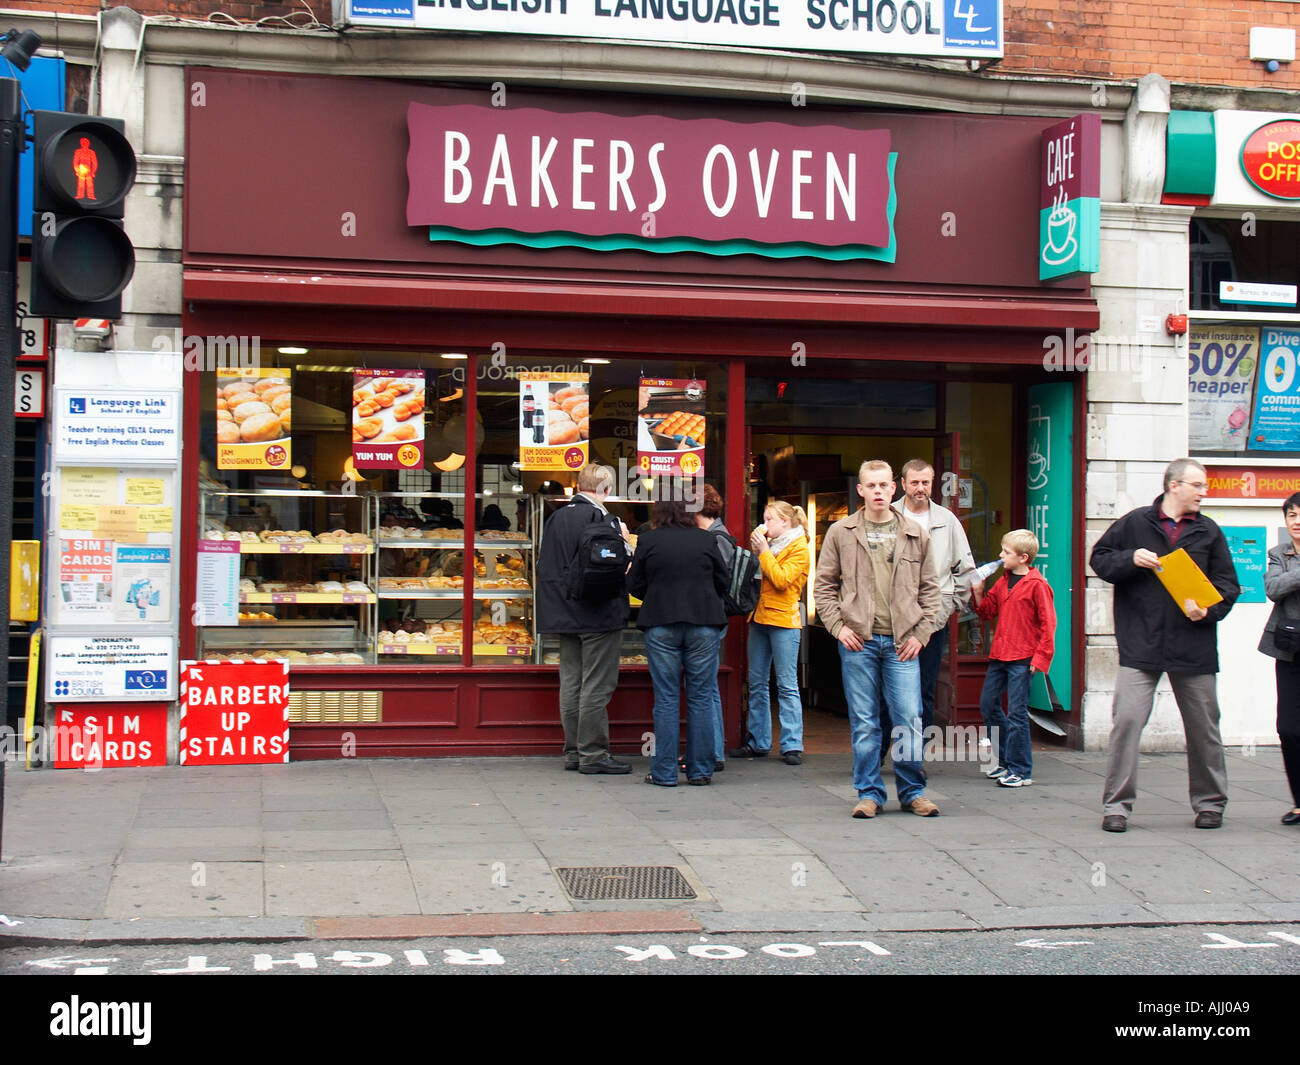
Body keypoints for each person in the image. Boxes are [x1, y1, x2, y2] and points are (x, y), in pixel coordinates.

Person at [1090, 458, 1241, 832]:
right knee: (1126, 722)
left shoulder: (1209, 531)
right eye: (1198, 485)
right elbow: (1100, 559)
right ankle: (1116, 808)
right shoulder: (1135, 522)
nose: (1204, 492)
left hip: (1193, 645)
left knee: (1204, 727)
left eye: (1204, 486)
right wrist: (1130, 558)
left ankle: (1210, 804)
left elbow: (1228, 585)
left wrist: (1206, 610)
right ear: (1174, 485)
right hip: (1140, 642)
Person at [813, 459, 942, 818]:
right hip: (860, 642)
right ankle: (869, 794)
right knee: (865, 722)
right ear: (861, 490)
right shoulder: (841, 532)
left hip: (903, 643)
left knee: (909, 719)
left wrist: (922, 633)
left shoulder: (916, 532)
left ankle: (913, 792)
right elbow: (823, 587)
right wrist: (839, 628)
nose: (879, 492)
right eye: (872, 486)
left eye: (884, 486)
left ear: (894, 488)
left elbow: (932, 591)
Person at [536, 464, 633, 775]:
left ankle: (574, 751)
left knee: (571, 682)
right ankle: (593, 753)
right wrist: (628, 544)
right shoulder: (603, 519)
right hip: (597, 613)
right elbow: (621, 568)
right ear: (604, 488)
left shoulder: (555, 517)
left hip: (562, 613)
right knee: (596, 685)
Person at [629, 495, 729, 786]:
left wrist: (657, 595)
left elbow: (633, 583)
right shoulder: (705, 540)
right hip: (704, 623)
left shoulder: (649, 540)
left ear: (658, 512)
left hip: (661, 623)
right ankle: (700, 771)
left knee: (667, 699)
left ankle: (664, 772)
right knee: (700, 697)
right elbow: (723, 581)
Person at [886, 459, 976, 734]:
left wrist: (951, 605)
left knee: (924, 689)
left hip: (932, 619)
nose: (920, 488)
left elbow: (965, 568)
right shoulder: (887, 516)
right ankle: (879, 753)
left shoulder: (946, 520)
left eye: (925, 482)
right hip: (890, 619)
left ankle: (915, 756)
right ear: (902, 484)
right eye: (914, 482)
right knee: (886, 691)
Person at [971, 529, 1057, 788]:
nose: (1001, 556)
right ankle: (1006, 762)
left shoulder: (1038, 585)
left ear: (1023, 558)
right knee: (988, 705)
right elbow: (987, 611)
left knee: (1017, 713)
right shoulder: (1003, 580)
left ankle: (1021, 769)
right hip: (1000, 654)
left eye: (1006, 552)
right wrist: (978, 591)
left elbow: (1048, 624)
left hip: (1022, 657)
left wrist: (1040, 659)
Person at [729, 500, 811, 765]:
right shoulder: (771, 546)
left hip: (784, 620)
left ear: (785, 522)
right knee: (757, 683)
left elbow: (782, 580)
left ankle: (791, 745)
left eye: (770, 519)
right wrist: (758, 553)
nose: (764, 524)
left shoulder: (800, 548)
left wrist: (763, 552)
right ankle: (758, 741)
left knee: (787, 685)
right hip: (760, 616)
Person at [1258, 491, 1300, 826]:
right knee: (1288, 727)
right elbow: (1272, 589)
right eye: (1291, 515)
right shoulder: (1278, 553)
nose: (1296, 521)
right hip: (1289, 649)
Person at [695, 484, 734, 771]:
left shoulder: (716, 539)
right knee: (707, 687)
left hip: (711, 617)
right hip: (711, 617)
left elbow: (717, 582)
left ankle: (715, 751)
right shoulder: (713, 536)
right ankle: (713, 749)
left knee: (707, 688)